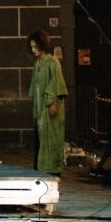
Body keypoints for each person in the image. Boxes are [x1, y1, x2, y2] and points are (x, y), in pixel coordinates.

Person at [27, 30, 68, 175]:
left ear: (42, 45)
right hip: (40, 107)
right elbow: (35, 85)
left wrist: (53, 103)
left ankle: (53, 168)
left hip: (50, 105)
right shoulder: (37, 64)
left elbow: (56, 82)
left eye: (35, 46)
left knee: (52, 137)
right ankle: (43, 167)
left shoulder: (52, 61)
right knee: (42, 137)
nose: (33, 50)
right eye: (31, 47)